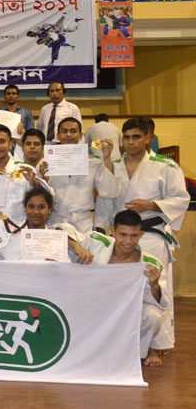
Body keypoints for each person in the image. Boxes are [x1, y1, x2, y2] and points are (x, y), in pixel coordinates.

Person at [108, 117, 189, 351]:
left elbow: (181, 198)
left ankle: (155, 345)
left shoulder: (166, 166)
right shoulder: (113, 164)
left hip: (150, 234)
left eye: (136, 137)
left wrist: (152, 205)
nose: (130, 142)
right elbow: (106, 201)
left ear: (149, 139)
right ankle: (121, 342)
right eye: (127, 137)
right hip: (119, 236)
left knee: (156, 284)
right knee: (120, 287)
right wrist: (104, 230)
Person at [78, 210, 169, 366]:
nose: (128, 241)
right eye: (123, 235)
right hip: (94, 309)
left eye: (134, 236)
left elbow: (160, 303)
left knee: (153, 316)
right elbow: (64, 230)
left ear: (141, 234)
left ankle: (136, 356)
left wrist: (154, 285)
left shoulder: (151, 264)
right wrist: (77, 248)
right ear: (113, 232)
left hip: (126, 312)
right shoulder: (97, 242)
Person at [39, 118, 120, 233]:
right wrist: (44, 181)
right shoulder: (45, 164)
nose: (68, 135)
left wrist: (107, 158)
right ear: (58, 135)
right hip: (55, 222)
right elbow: (39, 199)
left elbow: (109, 192)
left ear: (81, 135)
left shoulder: (93, 163)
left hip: (83, 225)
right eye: (64, 131)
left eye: (73, 131)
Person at [0, 187, 92, 262]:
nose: (36, 212)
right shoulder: (11, 235)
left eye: (41, 207)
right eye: (31, 207)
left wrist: (58, 267)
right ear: (25, 208)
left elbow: (65, 269)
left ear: (49, 210)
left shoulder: (57, 237)